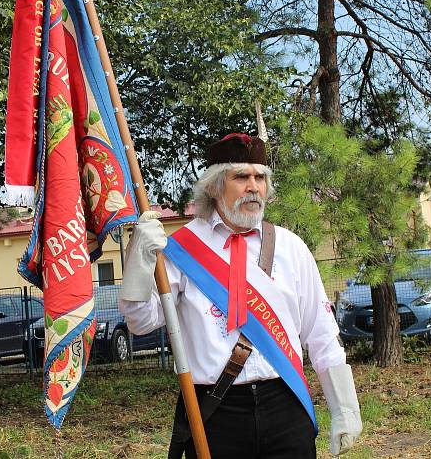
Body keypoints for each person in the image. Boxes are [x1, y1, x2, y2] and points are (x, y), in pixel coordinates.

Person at [118, 133, 362, 458]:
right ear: (215, 186)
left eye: (260, 177)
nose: (253, 186)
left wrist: (345, 408)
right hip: (215, 412)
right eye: (241, 176)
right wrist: (138, 261)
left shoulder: (291, 247)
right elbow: (140, 321)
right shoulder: (183, 250)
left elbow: (321, 334)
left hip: (285, 405)